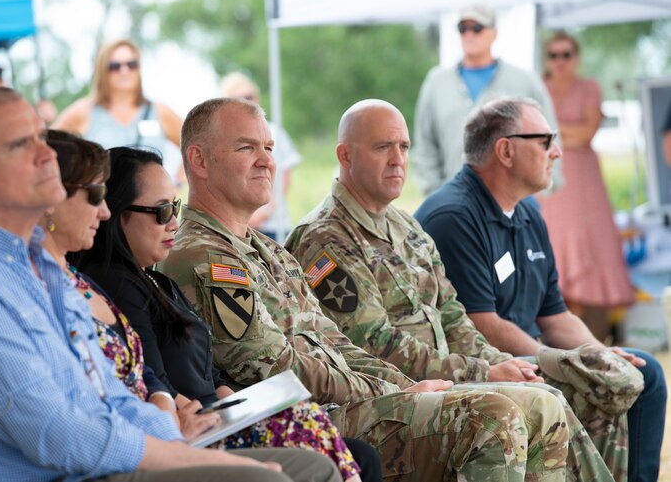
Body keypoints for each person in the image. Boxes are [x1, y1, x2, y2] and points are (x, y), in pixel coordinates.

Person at [0, 88, 342, 482]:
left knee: (311, 468)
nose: (47, 155)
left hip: (102, 461)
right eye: (20, 145)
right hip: (67, 474)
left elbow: (103, 393)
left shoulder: (26, 262)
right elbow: (60, 436)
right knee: (277, 477)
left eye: (39, 136)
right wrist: (181, 455)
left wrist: (171, 435)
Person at [159, 97, 578, 481]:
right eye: (247, 148)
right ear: (199, 159)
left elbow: (337, 341)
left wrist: (402, 385)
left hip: (347, 404)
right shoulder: (205, 258)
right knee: (496, 415)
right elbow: (274, 368)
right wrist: (395, 390)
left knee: (538, 403)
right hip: (299, 419)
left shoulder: (266, 248)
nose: (267, 162)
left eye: (269, 149)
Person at [286, 99, 626, 480]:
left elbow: (452, 316)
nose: (398, 159)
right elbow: (374, 343)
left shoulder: (406, 227)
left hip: (449, 378)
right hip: (396, 394)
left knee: (583, 389)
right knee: (533, 407)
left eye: (404, 147)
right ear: (345, 155)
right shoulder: (326, 239)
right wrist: (483, 370)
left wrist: (497, 363)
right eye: (383, 147)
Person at [74, 146, 377, 482]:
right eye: (161, 212)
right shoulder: (118, 283)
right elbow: (151, 375)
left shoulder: (155, 280)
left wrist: (239, 406)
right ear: (115, 214)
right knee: (315, 431)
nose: (174, 222)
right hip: (187, 432)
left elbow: (208, 370)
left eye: (174, 207)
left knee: (349, 447)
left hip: (214, 419)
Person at [415, 97, 667, 482]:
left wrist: (598, 353)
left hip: (532, 355)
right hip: (491, 367)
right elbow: (482, 324)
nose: (558, 151)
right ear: (505, 151)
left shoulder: (528, 210)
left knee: (641, 370)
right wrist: (563, 362)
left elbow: (555, 314)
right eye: (545, 140)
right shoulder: (454, 216)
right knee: (609, 381)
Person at [538, 32, 635, 335]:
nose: (560, 61)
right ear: (547, 59)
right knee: (555, 244)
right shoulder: (540, 89)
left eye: (566, 54)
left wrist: (553, 128)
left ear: (576, 57)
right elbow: (541, 133)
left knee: (591, 244)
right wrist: (567, 132)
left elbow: (587, 133)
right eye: (554, 55)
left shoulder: (589, 87)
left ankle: (593, 331)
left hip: (585, 181)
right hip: (551, 176)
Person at [412, 4, 556, 195]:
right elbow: (425, 144)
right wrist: (434, 191)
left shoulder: (524, 81)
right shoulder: (437, 82)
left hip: (513, 200)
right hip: (453, 198)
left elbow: (549, 138)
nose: (469, 35)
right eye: (463, 29)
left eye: (477, 28)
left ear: (494, 33)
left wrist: (538, 195)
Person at [53, 38, 184, 181]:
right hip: (102, 201)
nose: (124, 70)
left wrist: (176, 184)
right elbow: (48, 147)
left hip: (152, 203)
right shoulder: (83, 111)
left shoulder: (159, 111)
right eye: (115, 66)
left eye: (131, 64)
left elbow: (196, 148)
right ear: (102, 70)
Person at [221, 72, 301, 241]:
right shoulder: (224, 137)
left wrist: (265, 213)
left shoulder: (275, 132)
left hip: (274, 225)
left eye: (249, 96)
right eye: (238, 99)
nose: (246, 102)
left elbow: (285, 179)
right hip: (237, 227)